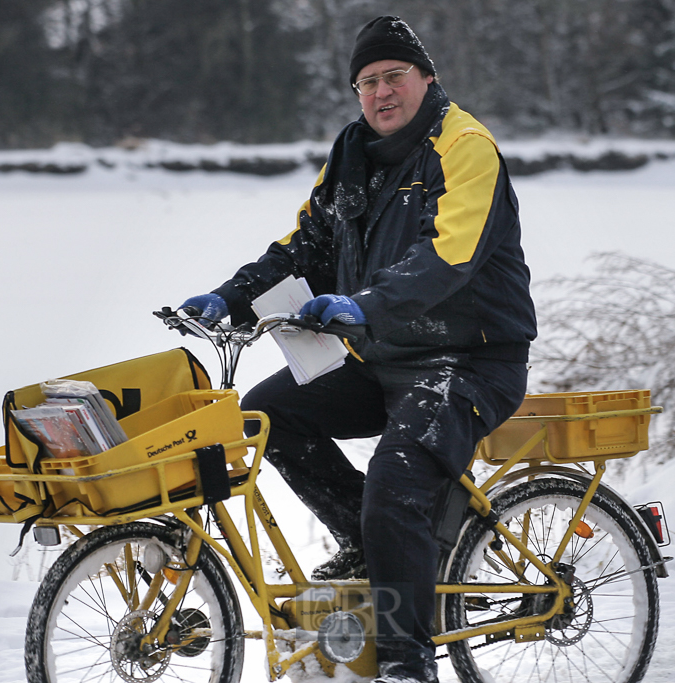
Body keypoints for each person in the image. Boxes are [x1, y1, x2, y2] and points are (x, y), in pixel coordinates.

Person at [181, 16, 536, 683]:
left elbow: (447, 257)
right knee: (268, 417)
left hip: (470, 362)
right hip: (383, 357)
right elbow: (304, 248)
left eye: (393, 76)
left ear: (426, 78)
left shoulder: (464, 146)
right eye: (367, 82)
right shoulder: (351, 155)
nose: (381, 92)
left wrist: (363, 305)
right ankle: (375, 551)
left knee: (395, 487)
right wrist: (228, 297)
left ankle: (407, 664)